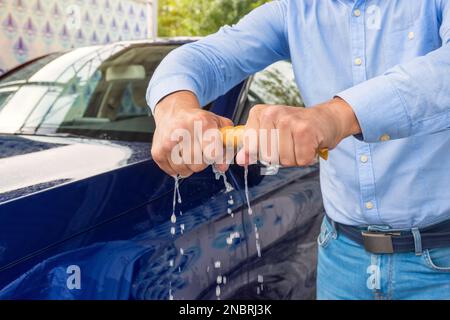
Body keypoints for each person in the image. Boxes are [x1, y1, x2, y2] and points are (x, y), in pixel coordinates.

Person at [146, 0, 450, 299]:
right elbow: (207, 57)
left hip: (441, 259)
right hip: (341, 257)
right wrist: (174, 109)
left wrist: (334, 116)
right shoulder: (294, 10)